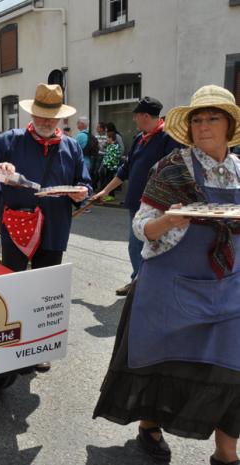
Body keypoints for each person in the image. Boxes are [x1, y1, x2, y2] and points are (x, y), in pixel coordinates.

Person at [93, 85, 240, 465]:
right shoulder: (173, 167)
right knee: (162, 362)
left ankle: (226, 452)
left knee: (232, 368)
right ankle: (149, 425)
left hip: (229, 287)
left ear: (230, 125)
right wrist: (168, 220)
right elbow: (142, 225)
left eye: (213, 118)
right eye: (197, 119)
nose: (204, 126)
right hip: (171, 283)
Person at [0, 83, 91, 371]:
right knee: (14, 285)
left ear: (61, 118)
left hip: (55, 226)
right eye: (41, 115)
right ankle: (12, 344)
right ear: (32, 114)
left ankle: (39, 347)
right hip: (16, 223)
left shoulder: (72, 146)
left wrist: (82, 192)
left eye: (52, 117)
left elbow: (85, 182)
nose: (46, 122)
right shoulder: (10, 140)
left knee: (45, 288)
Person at [91, 97, 183, 296]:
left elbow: (176, 172)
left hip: (158, 206)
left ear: (146, 116)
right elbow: (126, 168)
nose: (134, 120)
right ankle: (137, 281)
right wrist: (105, 191)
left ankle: (147, 286)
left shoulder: (168, 137)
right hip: (136, 203)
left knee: (152, 247)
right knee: (135, 246)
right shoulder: (140, 138)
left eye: (136, 116)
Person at [98, 131, 122, 200]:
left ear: (111, 138)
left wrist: (106, 163)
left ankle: (110, 196)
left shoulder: (115, 146)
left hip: (112, 167)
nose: (106, 140)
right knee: (108, 181)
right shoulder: (109, 146)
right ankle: (109, 195)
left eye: (107, 138)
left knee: (109, 181)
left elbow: (114, 157)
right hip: (107, 167)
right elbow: (106, 156)